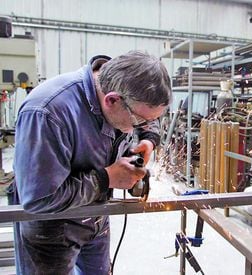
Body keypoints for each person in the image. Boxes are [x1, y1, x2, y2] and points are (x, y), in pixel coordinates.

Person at [11, 51, 172, 274]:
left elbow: (147, 118)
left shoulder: (127, 91)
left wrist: (148, 140)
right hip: (52, 230)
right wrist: (107, 178)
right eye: (139, 121)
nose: (143, 125)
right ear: (112, 100)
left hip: (95, 217)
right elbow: (39, 199)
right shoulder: (47, 112)